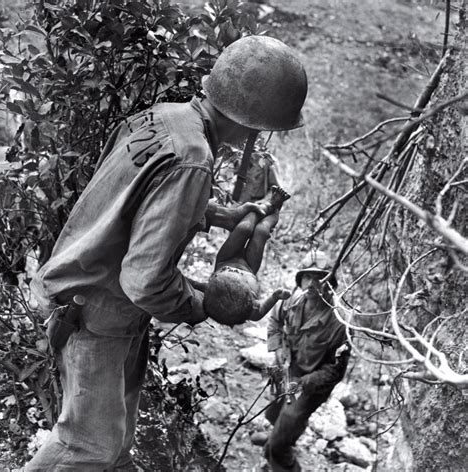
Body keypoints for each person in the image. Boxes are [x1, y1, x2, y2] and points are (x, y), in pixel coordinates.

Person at [24, 35, 307, 471]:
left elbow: (131, 200)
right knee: (86, 447)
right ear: (255, 123)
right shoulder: (193, 159)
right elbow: (143, 279)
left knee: (116, 445)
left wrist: (217, 215)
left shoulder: (163, 118)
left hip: (96, 301)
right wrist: (202, 304)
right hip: (98, 313)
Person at [253, 250, 350, 472]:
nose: (313, 284)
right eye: (307, 277)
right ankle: (275, 436)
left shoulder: (338, 323)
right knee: (272, 411)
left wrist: (303, 383)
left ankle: (282, 457)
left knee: (285, 428)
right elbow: (275, 322)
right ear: (301, 280)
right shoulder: (290, 300)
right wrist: (278, 347)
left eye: (320, 278)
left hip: (310, 381)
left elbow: (335, 372)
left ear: (330, 284)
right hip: (283, 365)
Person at [203, 185, 291, 327]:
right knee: (261, 231)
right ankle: (276, 207)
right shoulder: (248, 310)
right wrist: (275, 297)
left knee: (244, 228)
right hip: (249, 267)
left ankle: (268, 205)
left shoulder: (211, 300)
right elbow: (260, 311)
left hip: (226, 260)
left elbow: (196, 286)